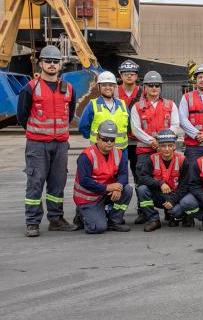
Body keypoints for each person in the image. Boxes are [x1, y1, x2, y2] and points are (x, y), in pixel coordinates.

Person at [17, 45, 78, 237]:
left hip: (60, 144)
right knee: (35, 182)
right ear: (41, 63)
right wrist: (38, 132)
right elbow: (22, 116)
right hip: (37, 144)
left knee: (57, 183)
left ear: (60, 65)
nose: (52, 65)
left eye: (55, 61)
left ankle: (56, 219)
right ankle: (32, 222)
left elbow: (69, 115)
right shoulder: (30, 88)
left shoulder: (68, 89)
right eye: (48, 61)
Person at [72, 120, 132, 234]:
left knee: (127, 190)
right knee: (98, 228)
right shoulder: (87, 156)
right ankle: (81, 215)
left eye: (112, 139)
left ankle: (114, 221)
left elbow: (123, 174)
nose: (109, 142)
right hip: (88, 198)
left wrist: (118, 187)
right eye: (105, 139)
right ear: (97, 138)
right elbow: (84, 180)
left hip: (105, 193)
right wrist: (108, 188)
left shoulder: (118, 154)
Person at [135, 129, 195, 231]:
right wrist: (160, 183)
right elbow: (142, 178)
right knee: (142, 189)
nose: (166, 149)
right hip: (159, 195)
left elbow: (185, 186)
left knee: (175, 211)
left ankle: (177, 214)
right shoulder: (152, 159)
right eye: (163, 146)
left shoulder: (182, 160)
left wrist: (173, 200)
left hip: (175, 195)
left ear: (174, 146)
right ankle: (154, 219)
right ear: (158, 146)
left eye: (170, 145)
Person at [130, 70, 180, 158]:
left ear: (160, 87)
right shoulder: (137, 107)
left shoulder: (171, 105)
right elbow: (135, 130)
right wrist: (151, 141)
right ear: (145, 87)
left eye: (157, 85)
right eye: (150, 85)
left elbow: (175, 126)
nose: (154, 88)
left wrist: (162, 141)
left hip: (166, 151)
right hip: (144, 152)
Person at [78, 71, 130, 150]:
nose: (108, 87)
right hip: (99, 151)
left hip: (121, 151)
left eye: (111, 85)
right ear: (99, 87)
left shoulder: (122, 105)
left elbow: (129, 127)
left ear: (115, 86)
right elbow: (83, 126)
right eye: (104, 85)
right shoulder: (92, 105)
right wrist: (94, 139)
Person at [117, 59, 143, 182]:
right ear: (120, 75)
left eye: (132, 73)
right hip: (118, 141)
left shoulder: (143, 93)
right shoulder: (113, 91)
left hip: (138, 142)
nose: (129, 76)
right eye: (125, 73)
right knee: (118, 175)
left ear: (136, 76)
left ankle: (141, 200)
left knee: (139, 174)